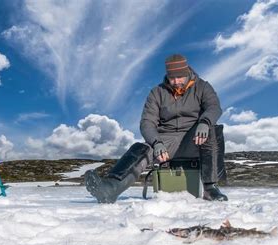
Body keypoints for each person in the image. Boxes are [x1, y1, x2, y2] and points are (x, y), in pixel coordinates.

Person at [85, 53, 227, 203]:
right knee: (141, 148)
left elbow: (214, 107)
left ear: (187, 73)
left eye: (180, 77)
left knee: (212, 131)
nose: (176, 81)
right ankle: (111, 188)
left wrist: (205, 122)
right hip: (166, 141)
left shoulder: (203, 87)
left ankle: (210, 189)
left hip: (194, 139)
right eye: (172, 78)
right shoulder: (157, 93)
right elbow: (147, 122)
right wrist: (156, 142)